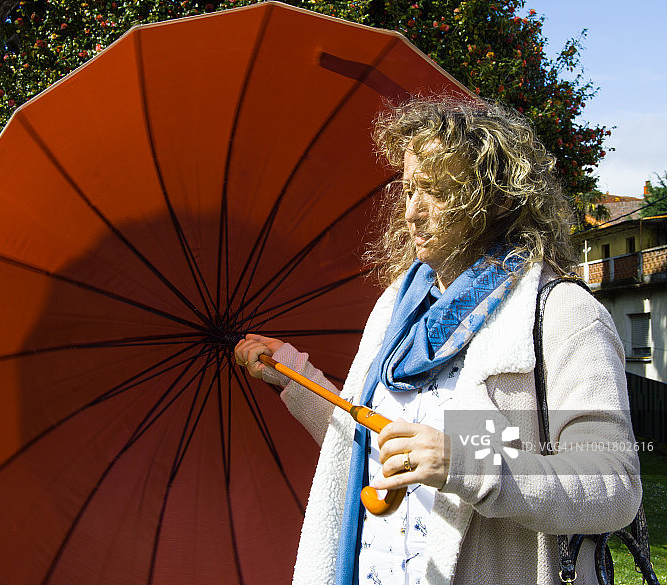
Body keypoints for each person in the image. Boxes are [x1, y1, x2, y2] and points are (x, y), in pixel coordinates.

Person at [234, 96, 641, 585]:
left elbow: (614, 484)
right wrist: (292, 375)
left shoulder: (560, 313)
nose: (412, 212)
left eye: (437, 191)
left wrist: (465, 465)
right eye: (409, 189)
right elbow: (370, 447)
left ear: (495, 200)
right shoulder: (397, 309)